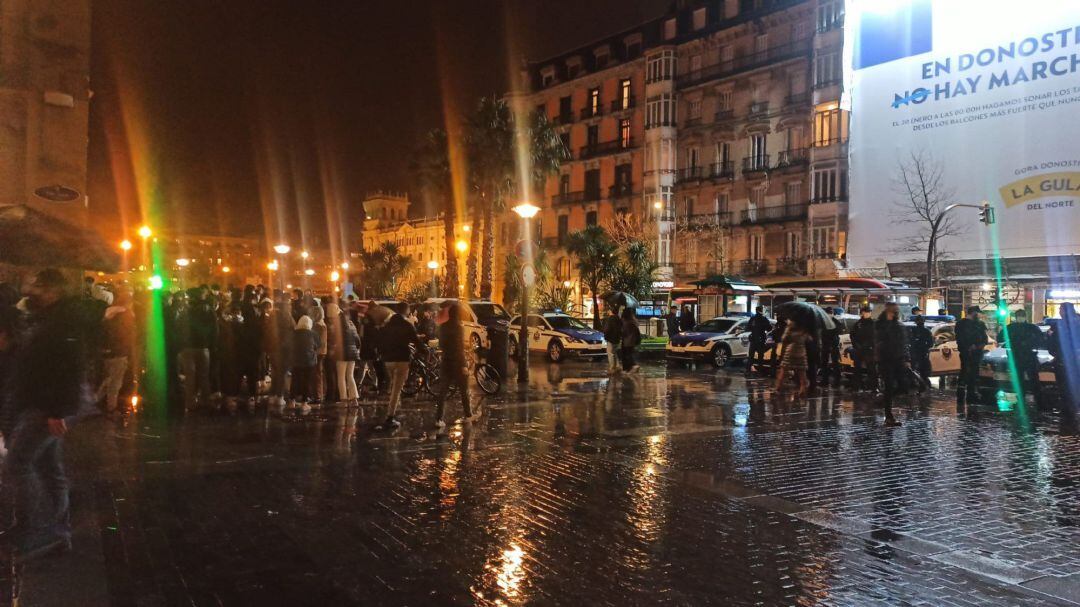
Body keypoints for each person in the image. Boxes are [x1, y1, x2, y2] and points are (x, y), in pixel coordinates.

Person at [3, 269, 93, 560]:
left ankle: (37, 531)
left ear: (55, 290)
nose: (34, 290)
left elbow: (71, 368)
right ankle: (55, 531)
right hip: (41, 402)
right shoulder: (50, 318)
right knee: (48, 467)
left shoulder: (64, 321)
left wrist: (58, 411)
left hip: (49, 405)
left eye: (40, 287)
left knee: (18, 464)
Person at [371, 304, 423, 430]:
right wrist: (423, 350)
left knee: (392, 386)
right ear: (405, 311)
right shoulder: (407, 325)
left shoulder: (386, 326)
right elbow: (416, 341)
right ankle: (390, 416)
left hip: (388, 360)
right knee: (396, 389)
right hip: (402, 359)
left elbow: (378, 341)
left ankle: (389, 408)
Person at [434, 302, 475, 430]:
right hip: (457, 363)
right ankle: (468, 414)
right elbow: (459, 347)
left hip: (446, 361)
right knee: (464, 390)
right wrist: (464, 364)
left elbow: (441, 345)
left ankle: (439, 418)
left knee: (443, 391)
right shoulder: (459, 327)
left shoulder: (442, 327)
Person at [96, 288, 134, 416]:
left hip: (106, 351)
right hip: (119, 351)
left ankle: (93, 400)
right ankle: (111, 407)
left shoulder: (107, 313)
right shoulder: (127, 315)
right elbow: (127, 335)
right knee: (115, 382)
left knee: (108, 378)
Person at [997, 309, 1045, 407]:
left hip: (1018, 358)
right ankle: (1039, 401)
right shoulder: (1032, 328)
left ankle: (1022, 400)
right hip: (1027, 357)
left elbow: (1000, 338)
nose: (1020, 317)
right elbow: (1041, 340)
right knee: (1033, 380)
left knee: (1020, 380)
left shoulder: (1011, 328)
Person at [875, 303, 908, 426]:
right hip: (886, 359)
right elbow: (877, 340)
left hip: (898, 359)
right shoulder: (880, 324)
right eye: (894, 309)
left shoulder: (897, 325)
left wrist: (906, 359)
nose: (896, 311)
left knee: (903, 385)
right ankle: (889, 416)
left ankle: (882, 400)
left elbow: (903, 343)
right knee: (889, 386)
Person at [1048, 302, 1079, 431]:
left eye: (1061, 309)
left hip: (1066, 361)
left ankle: (1069, 411)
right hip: (1067, 361)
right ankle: (1069, 410)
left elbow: (1052, 342)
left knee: (1065, 387)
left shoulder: (1062, 325)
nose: (1060, 311)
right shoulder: (1061, 324)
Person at [327, 302, 360, 406]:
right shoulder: (350, 323)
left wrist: (332, 348)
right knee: (350, 376)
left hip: (342, 353)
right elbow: (357, 340)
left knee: (341, 377)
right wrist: (357, 349)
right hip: (353, 353)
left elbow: (334, 339)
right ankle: (354, 399)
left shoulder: (337, 325)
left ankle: (344, 400)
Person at [955, 306, 989, 405]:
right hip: (966, 353)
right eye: (977, 313)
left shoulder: (980, 324)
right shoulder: (961, 324)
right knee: (965, 372)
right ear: (973, 313)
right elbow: (960, 339)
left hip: (977, 353)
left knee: (974, 374)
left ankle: (971, 395)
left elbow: (984, 338)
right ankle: (961, 396)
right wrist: (968, 347)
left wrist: (979, 345)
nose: (979, 315)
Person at [290, 315, 320, 411]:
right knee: (307, 382)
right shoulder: (313, 334)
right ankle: (304, 403)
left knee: (295, 380)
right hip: (309, 361)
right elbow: (318, 345)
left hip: (296, 360)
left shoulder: (294, 333)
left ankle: (292, 401)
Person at [776, 320, 810, 397]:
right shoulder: (805, 328)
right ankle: (802, 390)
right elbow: (809, 339)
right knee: (802, 372)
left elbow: (783, 338)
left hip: (791, 351)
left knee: (783, 370)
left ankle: (778, 388)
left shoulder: (790, 326)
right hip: (801, 351)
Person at [850, 306, 877, 392]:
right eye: (866, 312)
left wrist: (870, 345)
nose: (868, 313)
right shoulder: (858, 324)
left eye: (869, 312)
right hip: (859, 349)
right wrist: (856, 345)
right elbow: (852, 335)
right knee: (857, 369)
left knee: (871, 369)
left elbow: (875, 336)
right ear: (862, 313)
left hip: (869, 349)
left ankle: (873, 387)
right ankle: (857, 386)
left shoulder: (873, 323)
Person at [909, 314, 934, 393]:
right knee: (921, 372)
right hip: (920, 353)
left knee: (918, 371)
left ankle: (922, 387)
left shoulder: (913, 331)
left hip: (917, 353)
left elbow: (910, 342)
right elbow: (930, 343)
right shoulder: (926, 331)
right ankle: (922, 387)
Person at [818, 308, 843, 386]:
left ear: (832, 314)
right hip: (825, 345)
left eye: (830, 313)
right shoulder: (823, 322)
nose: (829, 315)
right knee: (824, 363)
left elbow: (838, 331)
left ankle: (837, 381)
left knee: (835, 364)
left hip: (833, 346)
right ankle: (824, 380)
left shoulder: (836, 322)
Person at [745, 306, 771, 376]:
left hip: (753, 339)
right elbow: (769, 328)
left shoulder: (753, 318)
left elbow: (748, 328)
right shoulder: (763, 318)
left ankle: (747, 371)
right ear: (761, 310)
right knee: (760, 357)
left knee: (751, 356)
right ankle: (760, 372)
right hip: (760, 340)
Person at [620, 307, 641, 373]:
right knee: (629, 353)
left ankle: (631, 367)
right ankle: (630, 367)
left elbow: (624, 332)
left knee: (626, 354)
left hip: (626, 340)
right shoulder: (633, 321)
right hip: (632, 341)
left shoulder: (625, 321)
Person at [602, 306, 622, 374]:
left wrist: (605, 336)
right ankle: (617, 366)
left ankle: (612, 368)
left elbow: (607, 329)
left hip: (611, 338)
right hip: (617, 338)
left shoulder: (610, 319)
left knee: (610, 353)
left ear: (611, 311)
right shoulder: (619, 319)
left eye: (609, 310)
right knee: (615, 352)